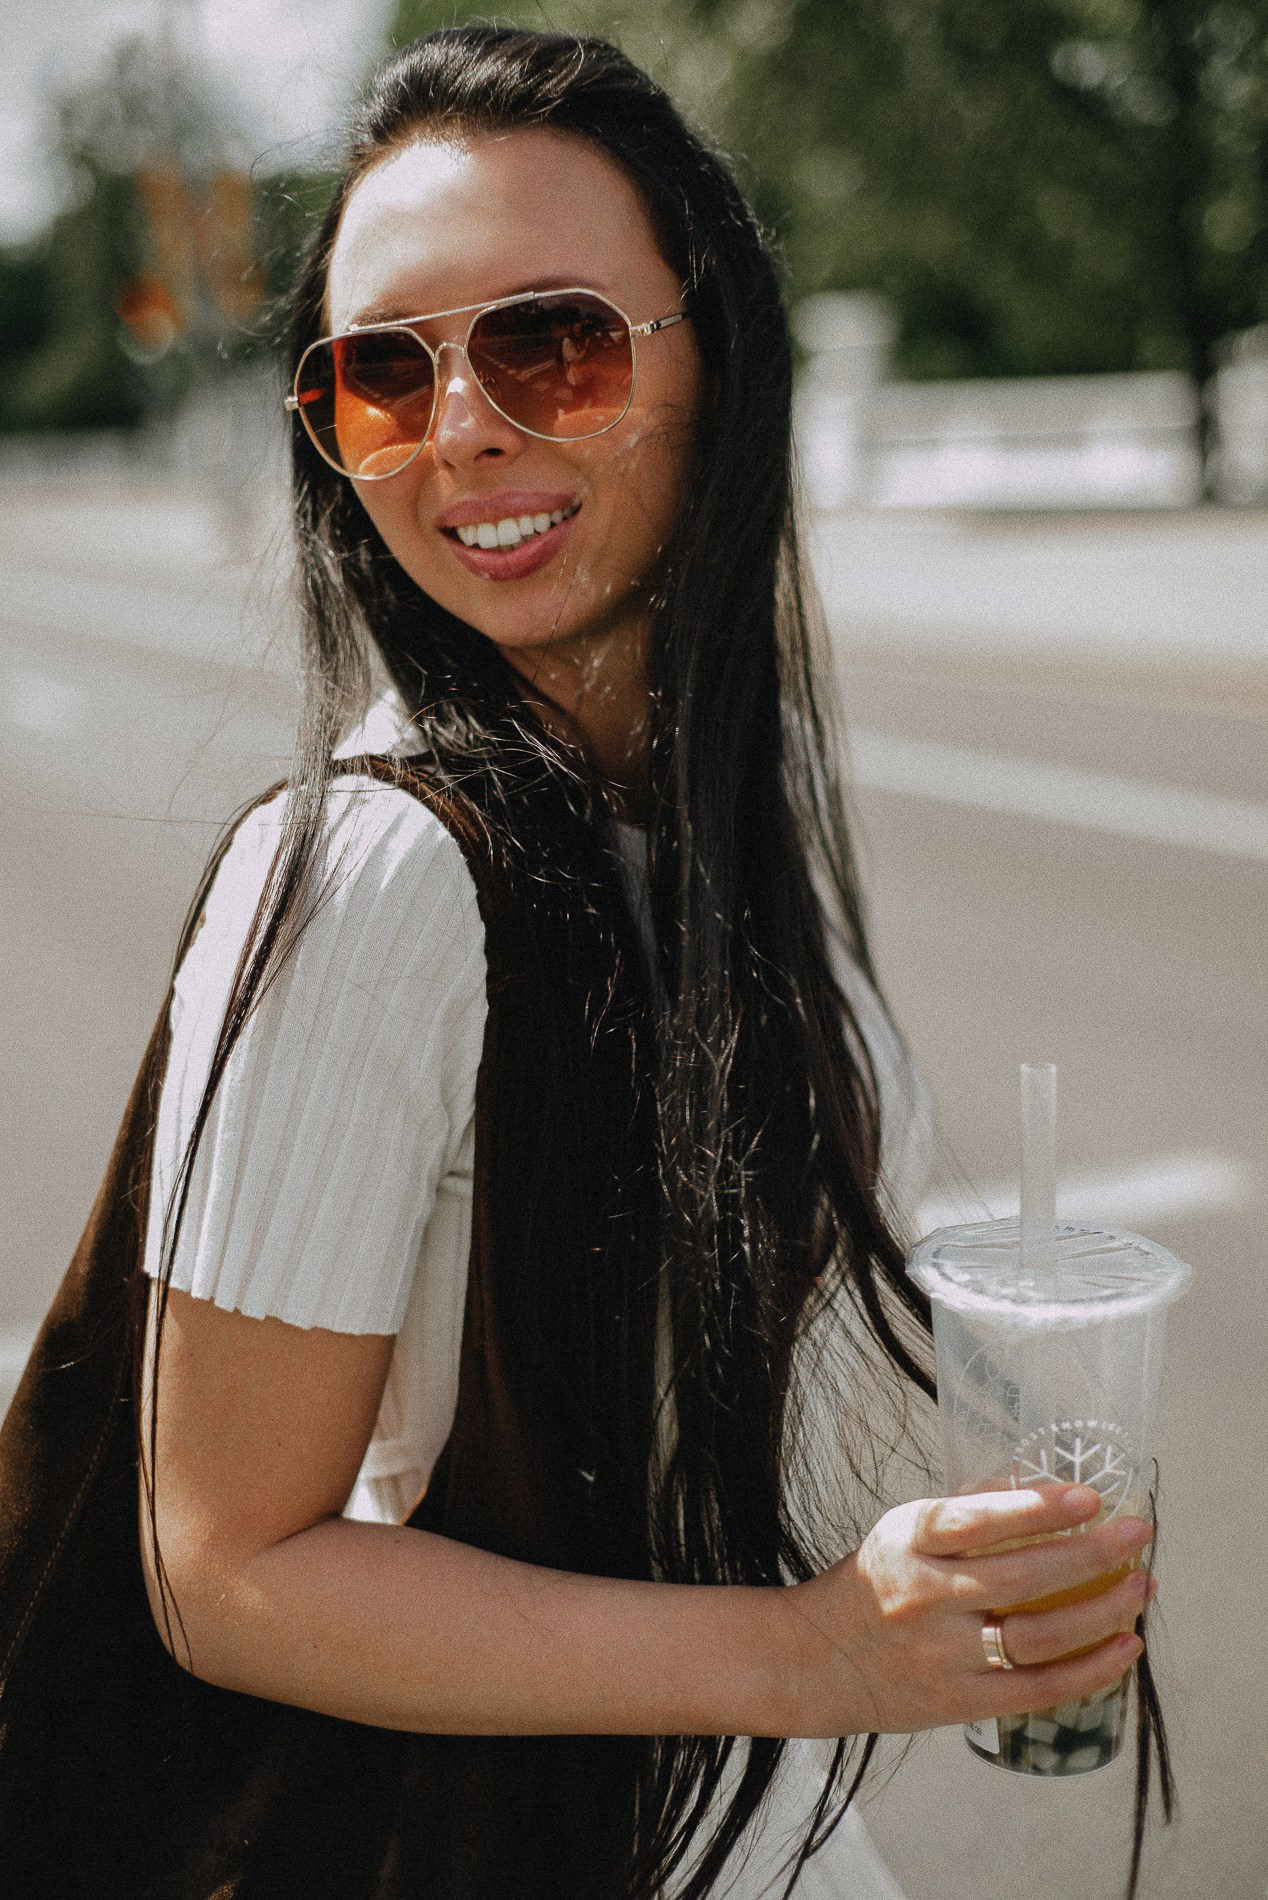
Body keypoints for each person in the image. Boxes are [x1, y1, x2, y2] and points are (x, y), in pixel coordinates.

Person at [0, 27, 1157, 1900]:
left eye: (552, 343)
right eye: (383, 374)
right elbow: (224, 1569)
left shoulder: (707, 796)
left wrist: (917, 1595)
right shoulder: (379, 868)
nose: (462, 429)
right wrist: (816, 1654)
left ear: (719, 359)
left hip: (736, 1818)